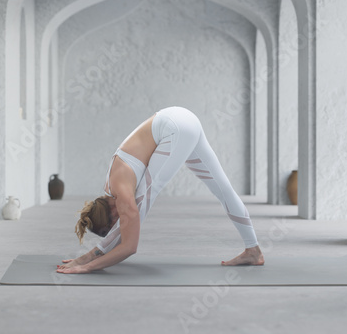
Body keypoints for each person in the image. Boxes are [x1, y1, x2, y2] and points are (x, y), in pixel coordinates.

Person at [56, 106, 263, 274]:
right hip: (182, 118)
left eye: (113, 225)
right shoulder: (112, 184)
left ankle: (93, 254)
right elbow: (122, 231)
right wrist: (93, 255)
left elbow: (129, 246)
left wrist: (88, 263)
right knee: (223, 188)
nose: (121, 223)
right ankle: (253, 250)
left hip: (176, 128)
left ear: (111, 214)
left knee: (145, 197)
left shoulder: (123, 195)